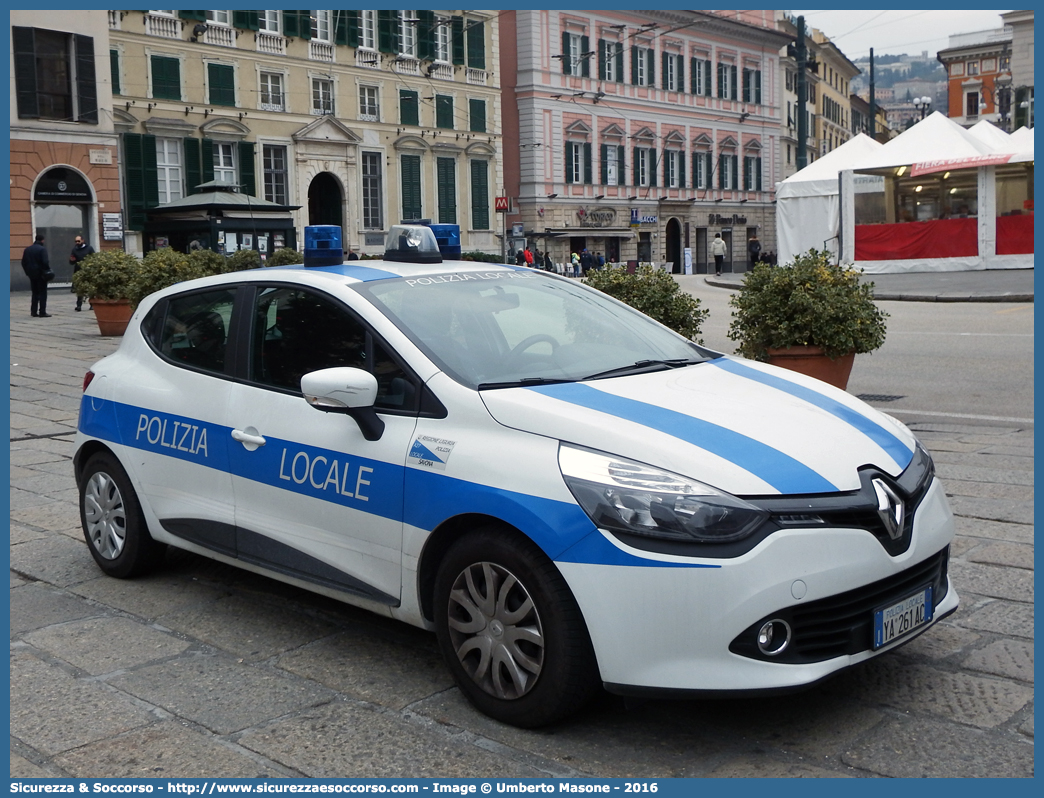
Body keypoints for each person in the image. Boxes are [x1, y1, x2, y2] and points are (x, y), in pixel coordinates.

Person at [21, 234, 52, 317]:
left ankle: (33, 311)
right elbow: (45, 262)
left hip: (32, 274)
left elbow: (23, 262)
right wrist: (47, 270)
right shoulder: (42, 249)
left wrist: (27, 272)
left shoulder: (27, 249)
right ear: (42, 240)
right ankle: (42, 311)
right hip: (41, 274)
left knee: (35, 293)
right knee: (42, 293)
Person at [70, 234, 95, 311]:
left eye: (78, 241)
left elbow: (94, 258)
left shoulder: (89, 248)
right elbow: (71, 262)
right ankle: (79, 305)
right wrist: (72, 260)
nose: (77, 242)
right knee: (80, 289)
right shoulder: (74, 249)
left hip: (88, 271)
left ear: (82, 240)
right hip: (78, 271)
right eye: (76, 241)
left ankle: (92, 304)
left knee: (90, 289)